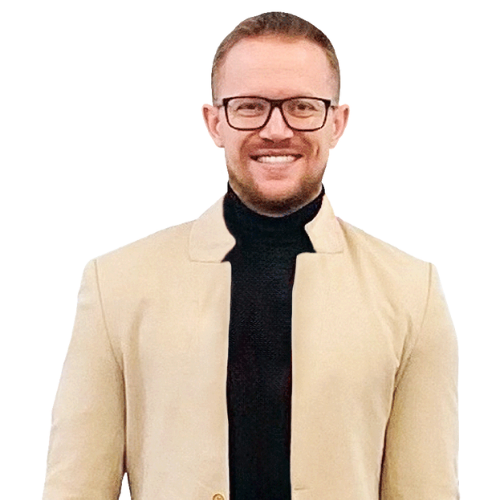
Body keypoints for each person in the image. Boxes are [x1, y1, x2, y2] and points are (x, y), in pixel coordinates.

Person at [42, 10, 460, 500]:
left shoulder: (411, 290)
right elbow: (74, 490)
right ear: (214, 122)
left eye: (303, 106)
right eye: (249, 107)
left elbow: (425, 491)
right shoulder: (116, 282)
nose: (276, 129)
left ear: (338, 122)